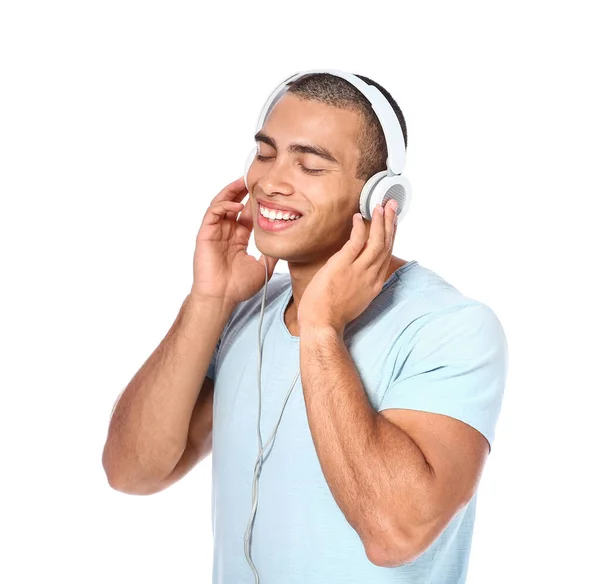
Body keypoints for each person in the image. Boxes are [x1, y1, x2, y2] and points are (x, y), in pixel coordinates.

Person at [102, 72, 509, 583]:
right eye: (266, 153)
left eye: (311, 164)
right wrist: (210, 299)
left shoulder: (450, 328)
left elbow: (393, 534)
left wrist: (321, 328)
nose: (271, 181)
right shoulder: (244, 313)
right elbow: (132, 471)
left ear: (380, 196)